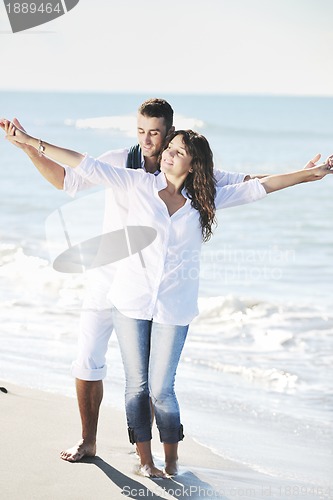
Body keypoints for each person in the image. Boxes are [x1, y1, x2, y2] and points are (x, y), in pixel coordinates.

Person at [2, 120, 332, 476]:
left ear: (194, 165)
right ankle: (146, 462)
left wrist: (307, 174)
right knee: (136, 388)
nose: (167, 155)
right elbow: (83, 162)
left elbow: (261, 186)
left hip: (174, 307)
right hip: (130, 301)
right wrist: (30, 142)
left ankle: (171, 460)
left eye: (177, 152)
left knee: (162, 389)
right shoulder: (138, 183)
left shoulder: (207, 197)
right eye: (168, 150)